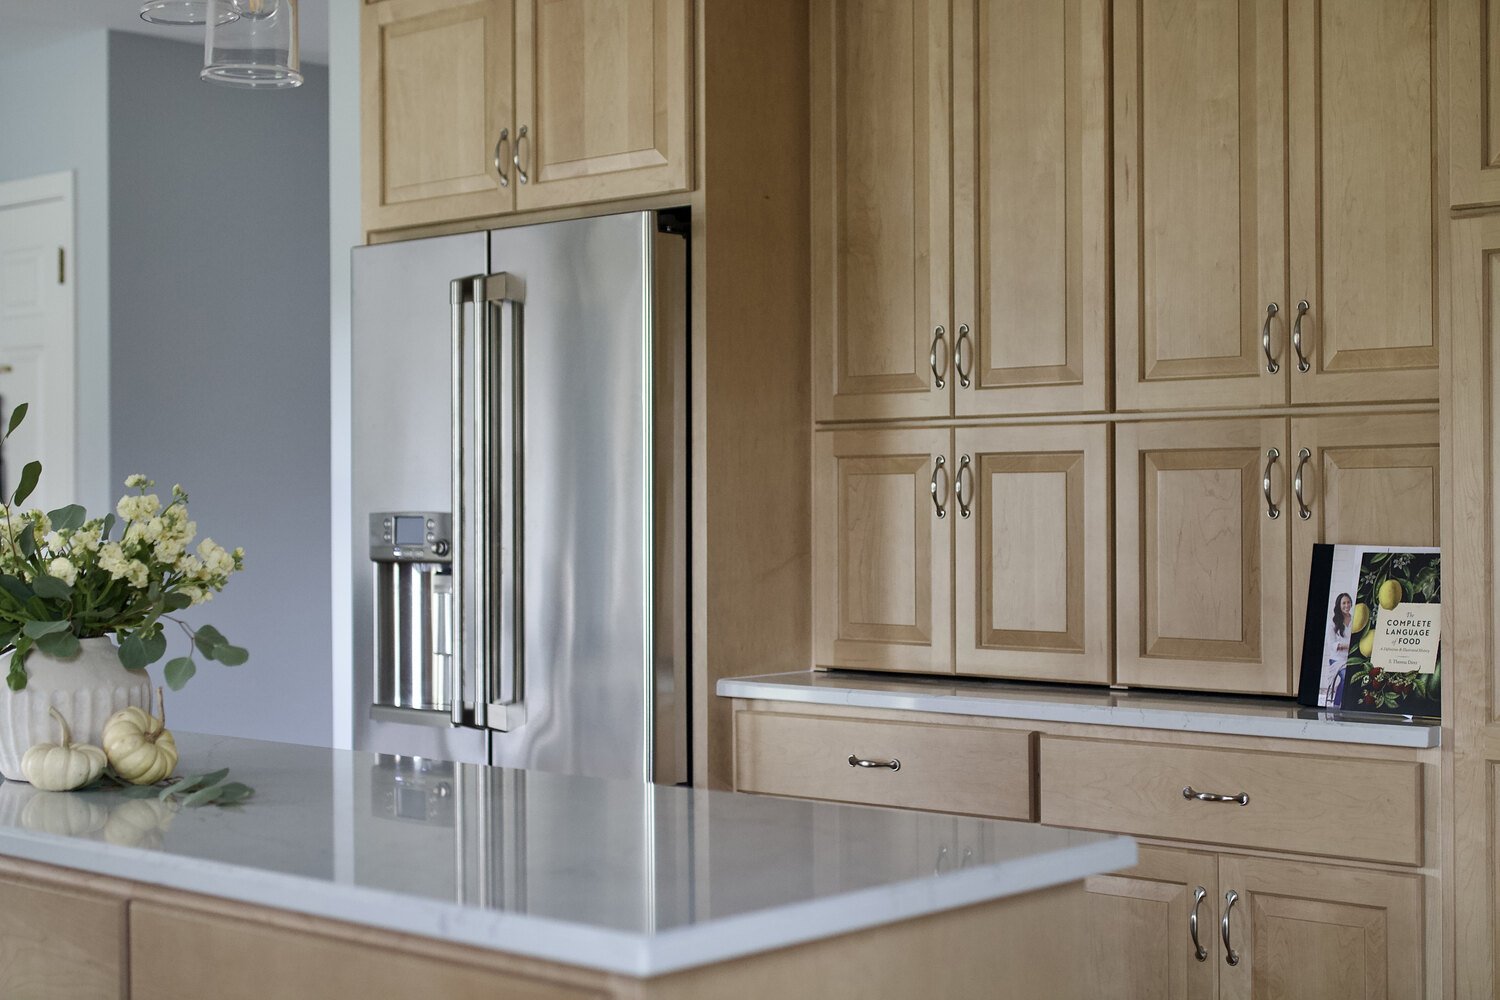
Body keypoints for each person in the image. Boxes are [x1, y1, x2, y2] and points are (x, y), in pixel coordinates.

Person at [1319, 592, 1354, 706]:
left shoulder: (1355, 620)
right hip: (1337, 660)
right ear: (1339, 605)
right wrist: (1349, 645)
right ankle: (1337, 705)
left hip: (1351, 659)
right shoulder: (1333, 623)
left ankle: (1351, 704)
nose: (1346, 605)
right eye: (1344, 603)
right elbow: (1332, 645)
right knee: (1347, 676)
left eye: (1348, 602)